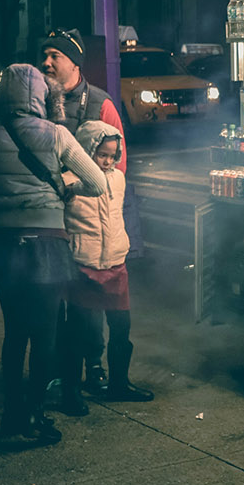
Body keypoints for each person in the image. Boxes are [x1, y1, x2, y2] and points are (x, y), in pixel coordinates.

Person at [0, 64, 106, 445]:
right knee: (45, 335)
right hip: (47, 243)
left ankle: (11, 415)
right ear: (45, 98)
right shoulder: (58, 134)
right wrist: (64, 183)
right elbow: (97, 182)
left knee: (13, 334)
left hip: (2, 244)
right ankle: (35, 413)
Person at [40, 27, 131, 395]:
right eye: (43, 56)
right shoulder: (40, 101)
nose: (46, 62)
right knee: (58, 305)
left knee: (89, 306)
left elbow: (118, 163)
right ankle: (61, 372)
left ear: (74, 63)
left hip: (88, 222)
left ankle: (94, 369)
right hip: (51, 216)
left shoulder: (101, 103)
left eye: (54, 56)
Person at [60, 120, 154, 409]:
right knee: (79, 332)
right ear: (87, 150)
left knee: (121, 328)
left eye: (114, 155)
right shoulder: (68, 179)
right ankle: (72, 392)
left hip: (115, 263)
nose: (109, 161)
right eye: (102, 154)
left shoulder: (118, 179)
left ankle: (119, 383)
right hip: (83, 264)